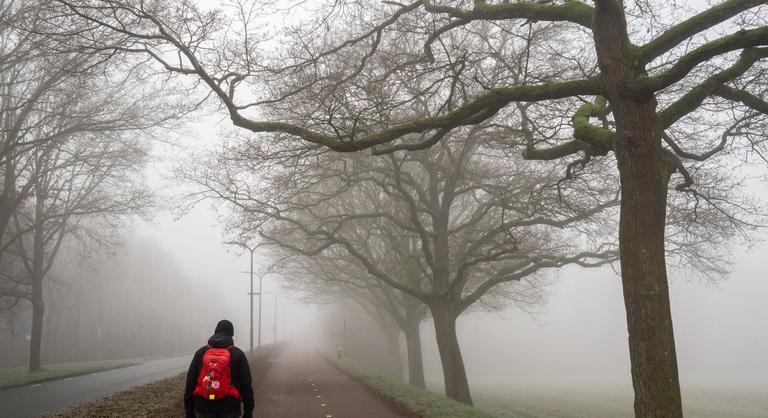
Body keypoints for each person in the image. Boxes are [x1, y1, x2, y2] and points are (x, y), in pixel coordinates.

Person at [185, 319, 254, 418]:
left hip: (203, 407)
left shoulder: (201, 353)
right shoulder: (237, 354)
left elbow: (190, 381)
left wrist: (189, 409)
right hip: (229, 407)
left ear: (215, 332)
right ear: (231, 335)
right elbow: (246, 384)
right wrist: (248, 411)